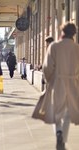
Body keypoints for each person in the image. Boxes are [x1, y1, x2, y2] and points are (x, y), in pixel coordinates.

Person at [32, 22, 79, 150]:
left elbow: (47, 67)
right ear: (74, 34)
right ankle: (63, 138)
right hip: (73, 84)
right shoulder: (77, 48)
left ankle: (58, 133)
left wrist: (50, 81)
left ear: (62, 32)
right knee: (69, 112)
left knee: (56, 111)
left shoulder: (54, 46)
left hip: (57, 83)